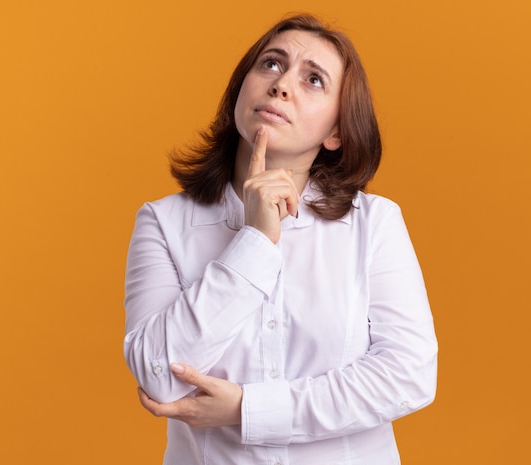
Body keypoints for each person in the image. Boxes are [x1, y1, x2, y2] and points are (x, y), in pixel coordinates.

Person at [123, 13, 437, 465]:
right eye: (271, 64)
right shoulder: (164, 222)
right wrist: (254, 242)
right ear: (240, 88)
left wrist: (249, 410)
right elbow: (158, 375)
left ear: (336, 132)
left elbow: (409, 375)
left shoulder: (375, 224)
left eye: (313, 80)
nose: (282, 84)